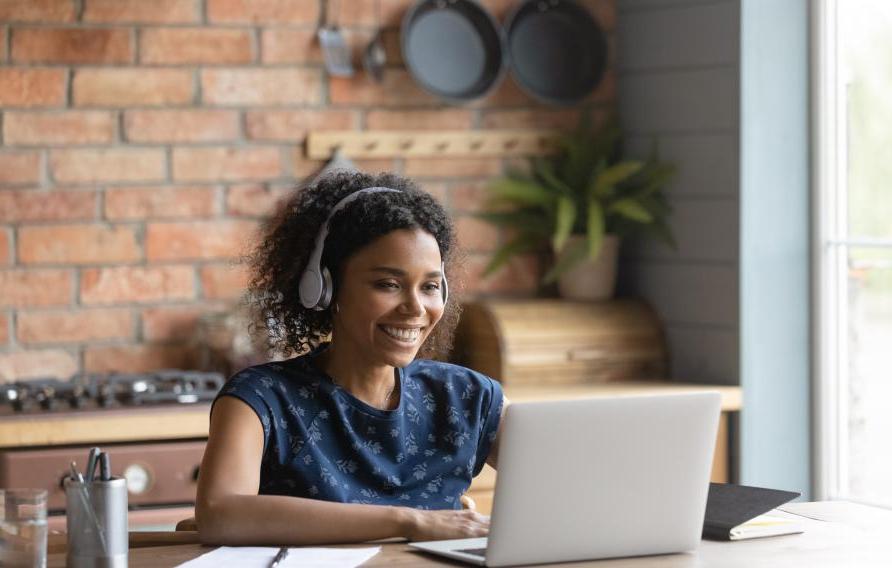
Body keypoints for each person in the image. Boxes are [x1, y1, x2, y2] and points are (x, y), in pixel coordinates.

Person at [196, 171, 507, 546]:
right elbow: (220, 514)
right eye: (388, 285)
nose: (415, 307)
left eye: (429, 287)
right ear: (325, 288)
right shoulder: (259, 398)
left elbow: (571, 486)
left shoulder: (467, 396)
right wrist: (411, 522)